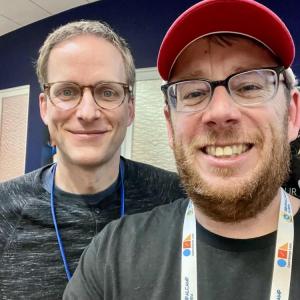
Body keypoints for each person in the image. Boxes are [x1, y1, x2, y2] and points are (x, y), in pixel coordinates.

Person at [63, 1, 300, 299]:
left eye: (250, 86)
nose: (220, 111)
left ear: (292, 114)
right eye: (194, 92)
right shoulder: (110, 258)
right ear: (171, 127)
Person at [0, 20, 185, 299]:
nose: (88, 112)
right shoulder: (3, 211)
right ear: (44, 107)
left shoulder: (177, 201)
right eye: (67, 92)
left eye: (107, 92)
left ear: (130, 108)